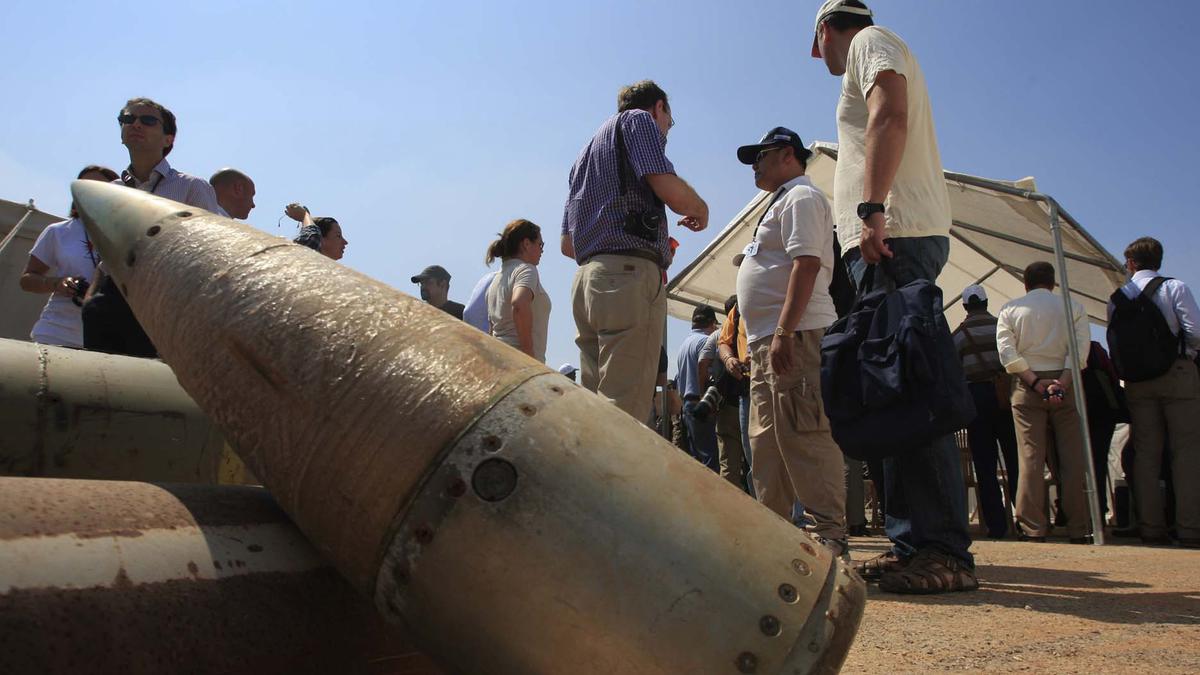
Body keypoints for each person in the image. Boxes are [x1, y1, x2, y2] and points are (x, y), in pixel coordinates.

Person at [813, 0, 975, 592]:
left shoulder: (869, 41)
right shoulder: (867, 44)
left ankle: (944, 551)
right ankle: (914, 543)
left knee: (911, 391)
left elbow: (890, 109)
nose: (816, 55)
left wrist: (872, 208)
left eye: (816, 41)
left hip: (894, 233)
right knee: (892, 392)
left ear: (827, 30)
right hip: (888, 237)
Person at [561, 80, 709, 421]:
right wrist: (700, 208)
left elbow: (567, 245)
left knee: (596, 410)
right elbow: (663, 181)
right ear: (658, 107)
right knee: (625, 415)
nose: (666, 134)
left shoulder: (583, 156)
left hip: (586, 281)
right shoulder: (637, 120)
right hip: (626, 278)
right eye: (668, 123)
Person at [732, 125, 847, 556]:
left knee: (805, 435)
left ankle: (830, 534)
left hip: (795, 334)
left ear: (785, 154)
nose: (755, 166)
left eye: (760, 157)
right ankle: (774, 540)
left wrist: (783, 331)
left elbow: (807, 264)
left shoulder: (802, 197)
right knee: (766, 444)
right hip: (769, 341)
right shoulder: (779, 203)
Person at [82, 97, 223, 358]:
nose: (135, 124)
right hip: (110, 300)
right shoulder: (111, 192)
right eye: (128, 119)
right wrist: (91, 299)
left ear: (168, 139)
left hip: (165, 298)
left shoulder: (193, 187)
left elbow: (210, 251)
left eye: (147, 120)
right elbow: (106, 258)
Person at [1110, 237, 1199, 547]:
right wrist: (1183, 353)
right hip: (1176, 374)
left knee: (1146, 453)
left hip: (1137, 383)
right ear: (1158, 260)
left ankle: (1150, 527)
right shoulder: (1175, 288)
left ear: (1131, 263)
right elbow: (1195, 331)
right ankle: (1189, 528)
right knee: (1186, 452)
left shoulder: (1118, 297)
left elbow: (1115, 341)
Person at [996, 262, 1093, 544]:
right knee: (1073, 458)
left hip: (1027, 385)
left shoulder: (1010, 309)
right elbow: (1079, 351)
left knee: (1030, 457)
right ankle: (1079, 526)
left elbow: (1006, 352)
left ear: (1025, 283)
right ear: (1052, 283)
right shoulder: (1073, 307)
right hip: (1067, 382)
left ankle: (1033, 526)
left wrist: (1035, 382)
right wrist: (1061, 382)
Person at [20, 165, 119, 348]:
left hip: (104, 340)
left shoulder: (125, 236)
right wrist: (57, 283)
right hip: (55, 333)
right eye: (82, 186)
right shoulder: (58, 232)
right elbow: (27, 279)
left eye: (98, 187)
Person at [952, 284, 1020, 539]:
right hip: (1005, 397)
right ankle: (1023, 520)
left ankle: (996, 525)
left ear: (965, 306)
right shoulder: (1002, 328)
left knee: (984, 464)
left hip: (975, 399)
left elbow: (954, 372)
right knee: (1015, 459)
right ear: (986, 302)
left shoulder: (959, 335)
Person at [698, 295, 748, 489]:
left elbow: (703, 363)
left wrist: (705, 397)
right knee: (757, 459)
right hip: (748, 398)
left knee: (729, 461)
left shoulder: (718, 336)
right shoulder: (751, 323)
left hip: (726, 404)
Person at [486, 219, 551, 362]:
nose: (542, 250)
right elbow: (519, 304)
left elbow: (492, 330)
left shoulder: (494, 282)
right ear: (527, 244)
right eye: (540, 244)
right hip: (521, 362)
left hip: (499, 361)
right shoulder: (526, 270)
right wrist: (529, 357)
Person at [717, 292, 755, 496]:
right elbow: (723, 342)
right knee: (752, 456)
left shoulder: (780, 289)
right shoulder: (738, 308)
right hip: (747, 389)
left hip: (780, 382)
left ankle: (797, 519)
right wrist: (729, 359)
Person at [675, 306, 721, 472]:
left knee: (696, 459)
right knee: (710, 460)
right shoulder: (705, 342)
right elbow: (708, 371)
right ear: (712, 323)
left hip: (687, 404)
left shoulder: (684, 344)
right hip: (701, 403)